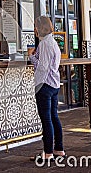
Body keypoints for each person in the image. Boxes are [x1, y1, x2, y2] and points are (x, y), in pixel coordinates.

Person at [29, 15, 66, 163]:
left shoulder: (44, 44)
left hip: (44, 85)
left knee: (46, 119)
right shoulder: (53, 42)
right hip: (54, 84)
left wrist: (30, 56)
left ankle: (48, 153)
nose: (34, 29)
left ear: (39, 28)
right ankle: (59, 149)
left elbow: (43, 67)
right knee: (54, 117)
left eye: (35, 26)